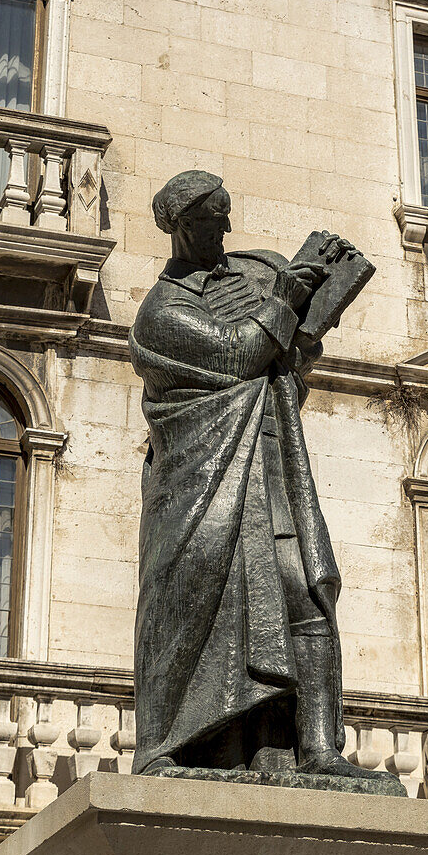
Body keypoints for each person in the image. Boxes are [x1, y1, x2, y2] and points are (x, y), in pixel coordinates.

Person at [129, 169, 364, 777]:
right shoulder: (160, 314)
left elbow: (284, 358)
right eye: (215, 219)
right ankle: (167, 749)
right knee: (196, 611)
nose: (228, 228)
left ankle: (317, 749)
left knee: (305, 594)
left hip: (270, 466)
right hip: (203, 489)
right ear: (182, 227)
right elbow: (236, 355)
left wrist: (313, 306)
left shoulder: (254, 273)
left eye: (229, 214)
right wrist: (284, 301)